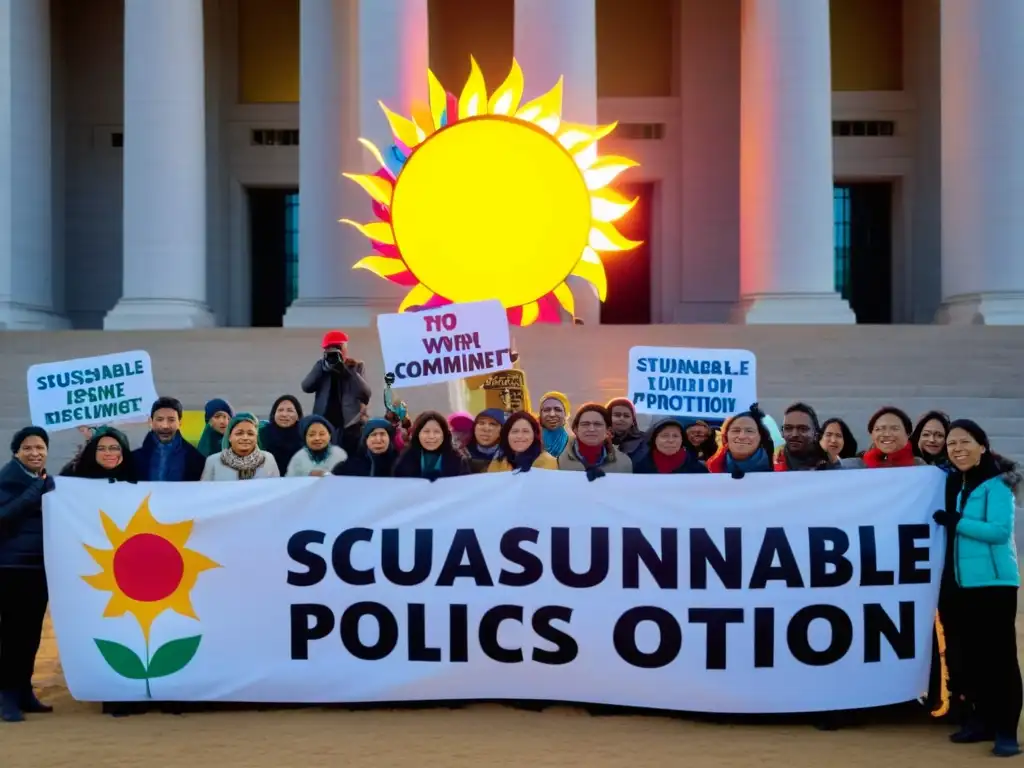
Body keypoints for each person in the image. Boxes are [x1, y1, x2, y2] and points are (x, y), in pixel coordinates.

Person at [933, 420, 1021, 757]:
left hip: (994, 584)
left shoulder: (997, 485)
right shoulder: (956, 482)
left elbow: (998, 531)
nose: (957, 448)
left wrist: (958, 522)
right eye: (951, 443)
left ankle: (1006, 730)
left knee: (1000, 659)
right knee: (971, 659)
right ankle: (982, 721)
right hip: (961, 584)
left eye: (964, 441)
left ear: (982, 446)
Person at [0, 426, 56, 721]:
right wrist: (35, 492)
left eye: (40, 448)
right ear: (16, 452)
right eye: (28, 448)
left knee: (30, 634)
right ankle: (6, 696)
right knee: (10, 635)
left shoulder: (45, 481)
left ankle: (24, 691)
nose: (35, 453)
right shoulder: (7, 479)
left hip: (37, 568)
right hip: (9, 567)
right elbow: (5, 516)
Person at [301, 330, 371, 456]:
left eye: (337, 347)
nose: (333, 351)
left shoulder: (356, 366)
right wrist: (322, 368)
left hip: (350, 424)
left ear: (345, 348)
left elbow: (365, 394)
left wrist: (347, 371)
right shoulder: (321, 366)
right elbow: (306, 387)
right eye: (329, 348)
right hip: (324, 422)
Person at [132, 397, 206, 482]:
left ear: (180, 422)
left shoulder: (196, 459)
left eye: (171, 420)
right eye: (160, 419)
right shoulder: (133, 459)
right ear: (151, 422)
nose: (165, 426)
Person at [557, 403, 632, 477]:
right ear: (576, 430)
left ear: (608, 430)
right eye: (585, 424)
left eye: (597, 424)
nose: (591, 429)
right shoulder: (558, 461)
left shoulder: (623, 463)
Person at [201, 413, 280, 481]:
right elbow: (205, 493)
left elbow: (276, 491)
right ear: (229, 437)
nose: (245, 438)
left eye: (250, 434)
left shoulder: (268, 459)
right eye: (239, 433)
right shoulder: (213, 461)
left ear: (256, 438)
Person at [393, 411, 470, 480]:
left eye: (437, 432)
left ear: (445, 435)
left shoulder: (458, 461)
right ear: (417, 434)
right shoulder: (405, 460)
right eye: (426, 431)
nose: (431, 436)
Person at [841, 406, 925, 469]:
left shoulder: (919, 466)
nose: (887, 434)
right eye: (879, 429)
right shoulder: (853, 466)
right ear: (872, 435)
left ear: (908, 434)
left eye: (894, 428)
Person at [706, 404, 775, 474]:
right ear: (726, 435)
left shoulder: (780, 467)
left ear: (761, 437)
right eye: (736, 430)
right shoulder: (707, 470)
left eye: (749, 431)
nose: (742, 436)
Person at [632, 418, 708, 475]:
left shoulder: (698, 469)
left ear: (682, 440)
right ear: (654, 439)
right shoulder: (639, 465)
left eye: (675, 436)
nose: (671, 440)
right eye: (665, 436)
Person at [488, 412, 558, 472]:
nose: (520, 436)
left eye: (525, 431)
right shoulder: (498, 462)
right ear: (507, 435)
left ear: (534, 435)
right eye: (515, 431)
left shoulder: (546, 461)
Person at [60, 426, 136, 482]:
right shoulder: (74, 473)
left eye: (114, 448)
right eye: (101, 449)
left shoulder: (137, 473)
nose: (108, 453)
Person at [775, 402, 837, 471]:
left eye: (803, 429)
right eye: (788, 428)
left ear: (815, 434)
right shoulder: (771, 460)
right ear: (782, 433)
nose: (794, 434)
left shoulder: (833, 461)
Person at [333, 418, 398, 477]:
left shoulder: (399, 464)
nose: (378, 440)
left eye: (382, 434)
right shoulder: (350, 466)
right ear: (365, 440)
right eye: (373, 435)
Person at [259, 395, 305, 475]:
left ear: (298, 415)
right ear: (274, 414)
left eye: (290, 410)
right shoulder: (262, 434)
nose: (284, 414)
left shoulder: (306, 435)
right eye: (280, 410)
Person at [606, 398, 648, 464]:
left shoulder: (646, 440)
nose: (622, 419)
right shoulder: (598, 439)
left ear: (633, 420)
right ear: (608, 417)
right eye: (617, 415)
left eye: (626, 416)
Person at [465, 409, 505, 473]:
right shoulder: (461, 454)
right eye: (481, 423)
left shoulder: (510, 456)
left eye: (492, 424)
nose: (486, 429)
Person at [538, 391, 573, 459]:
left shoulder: (574, 444)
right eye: (547, 410)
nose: (552, 414)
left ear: (565, 414)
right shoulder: (531, 441)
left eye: (558, 410)